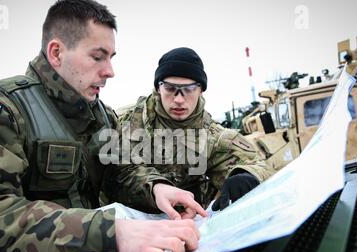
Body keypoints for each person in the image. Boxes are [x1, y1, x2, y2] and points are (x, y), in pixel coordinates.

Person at [0, 0, 207, 252]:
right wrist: (108, 233)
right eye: (97, 56)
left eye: (111, 58)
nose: (110, 72)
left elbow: (122, 172)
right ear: (56, 53)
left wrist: (156, 189)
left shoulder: (102, 117)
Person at [116, 47, 276, 214]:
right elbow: (115, 172)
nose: (178, 99)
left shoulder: (212, 136)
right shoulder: (122, 122)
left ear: (201, 90)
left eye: (189, 89)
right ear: (158, 88)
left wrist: (246, 176)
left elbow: (261, 167)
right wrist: (155, 187)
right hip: (126, 223)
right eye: (170, 88)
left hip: (187, 224)